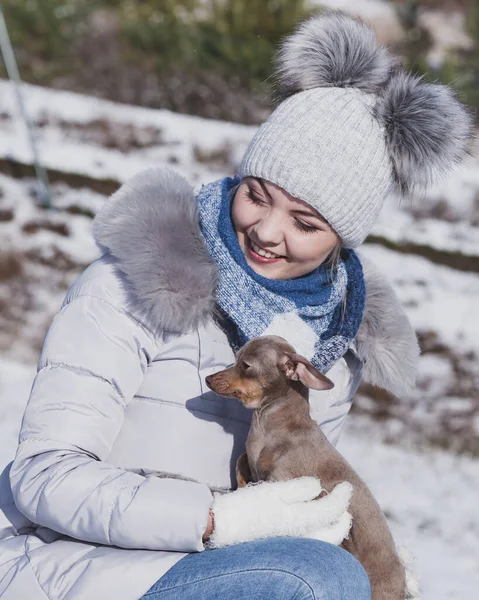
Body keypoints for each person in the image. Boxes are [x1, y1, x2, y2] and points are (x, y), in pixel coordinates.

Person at [0, 10, 472, 600]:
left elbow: (294, 485)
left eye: (304, 222)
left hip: (225, 574)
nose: (268, 231)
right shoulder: (134, 287)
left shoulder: (331, 341)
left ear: (342, 238)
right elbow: (45, 477)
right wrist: (218, 520)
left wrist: (368, 562)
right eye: (256, 194)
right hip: (72, 567)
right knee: (314, 579)